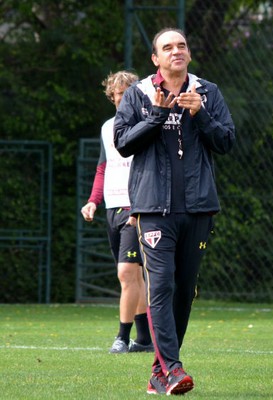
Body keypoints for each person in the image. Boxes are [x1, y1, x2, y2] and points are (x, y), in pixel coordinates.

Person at [114, 28, 235, 394]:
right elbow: (122, 143)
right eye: (167, 47)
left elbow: (226, 141)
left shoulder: (208, 92)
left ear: (189, 54)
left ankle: (160, 371)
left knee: (184, 291)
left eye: (181, 45)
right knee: (162, 284)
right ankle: (174, 368)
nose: (176, 51)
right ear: (156, 59)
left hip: (198, 209)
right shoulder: (138, 94)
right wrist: (154, 115)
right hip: (153, 209)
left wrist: (201, 115)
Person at [81, 71, 153, 354]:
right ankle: (145, 340)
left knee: (126, 273)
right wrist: (93, 201)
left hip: (135, 209)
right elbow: (104, 167)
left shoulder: (147, 125)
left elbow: (150, 170)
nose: (122, 99)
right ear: (112, 98)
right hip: (112, 207)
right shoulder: (107, 127)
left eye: (128, 94)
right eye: (118, 95)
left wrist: (139, 205)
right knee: (132, 277)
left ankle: (122, 337)